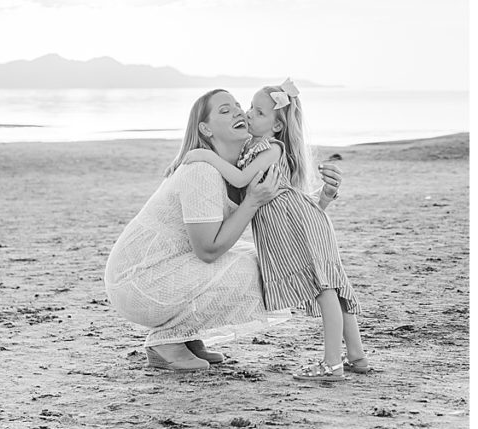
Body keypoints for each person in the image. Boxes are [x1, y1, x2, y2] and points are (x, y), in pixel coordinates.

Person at [104, 89, 343, 371]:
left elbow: (289, 212)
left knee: (267, 258)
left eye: (239, 106)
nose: (239, 112)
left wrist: (324, 196)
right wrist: (252, 201)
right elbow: (208, 251)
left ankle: (186, 336)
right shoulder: (202, 172)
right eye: (224, 110)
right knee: (257, 269)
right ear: (205, 129)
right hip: (139, 281)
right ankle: (166, 341)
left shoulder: (242, 166)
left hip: (168, 267)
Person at [182, 80, 368, 381]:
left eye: (258, 112)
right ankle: (356, 355)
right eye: (250, 108)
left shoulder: (271, 148)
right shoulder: (255, 146)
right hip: (292, 221)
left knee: (324, 289)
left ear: (277, 125)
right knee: (329, 285)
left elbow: (241, 180)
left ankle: (332, 364)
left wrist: (206, 156)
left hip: (296, 222)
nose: (249, 114)